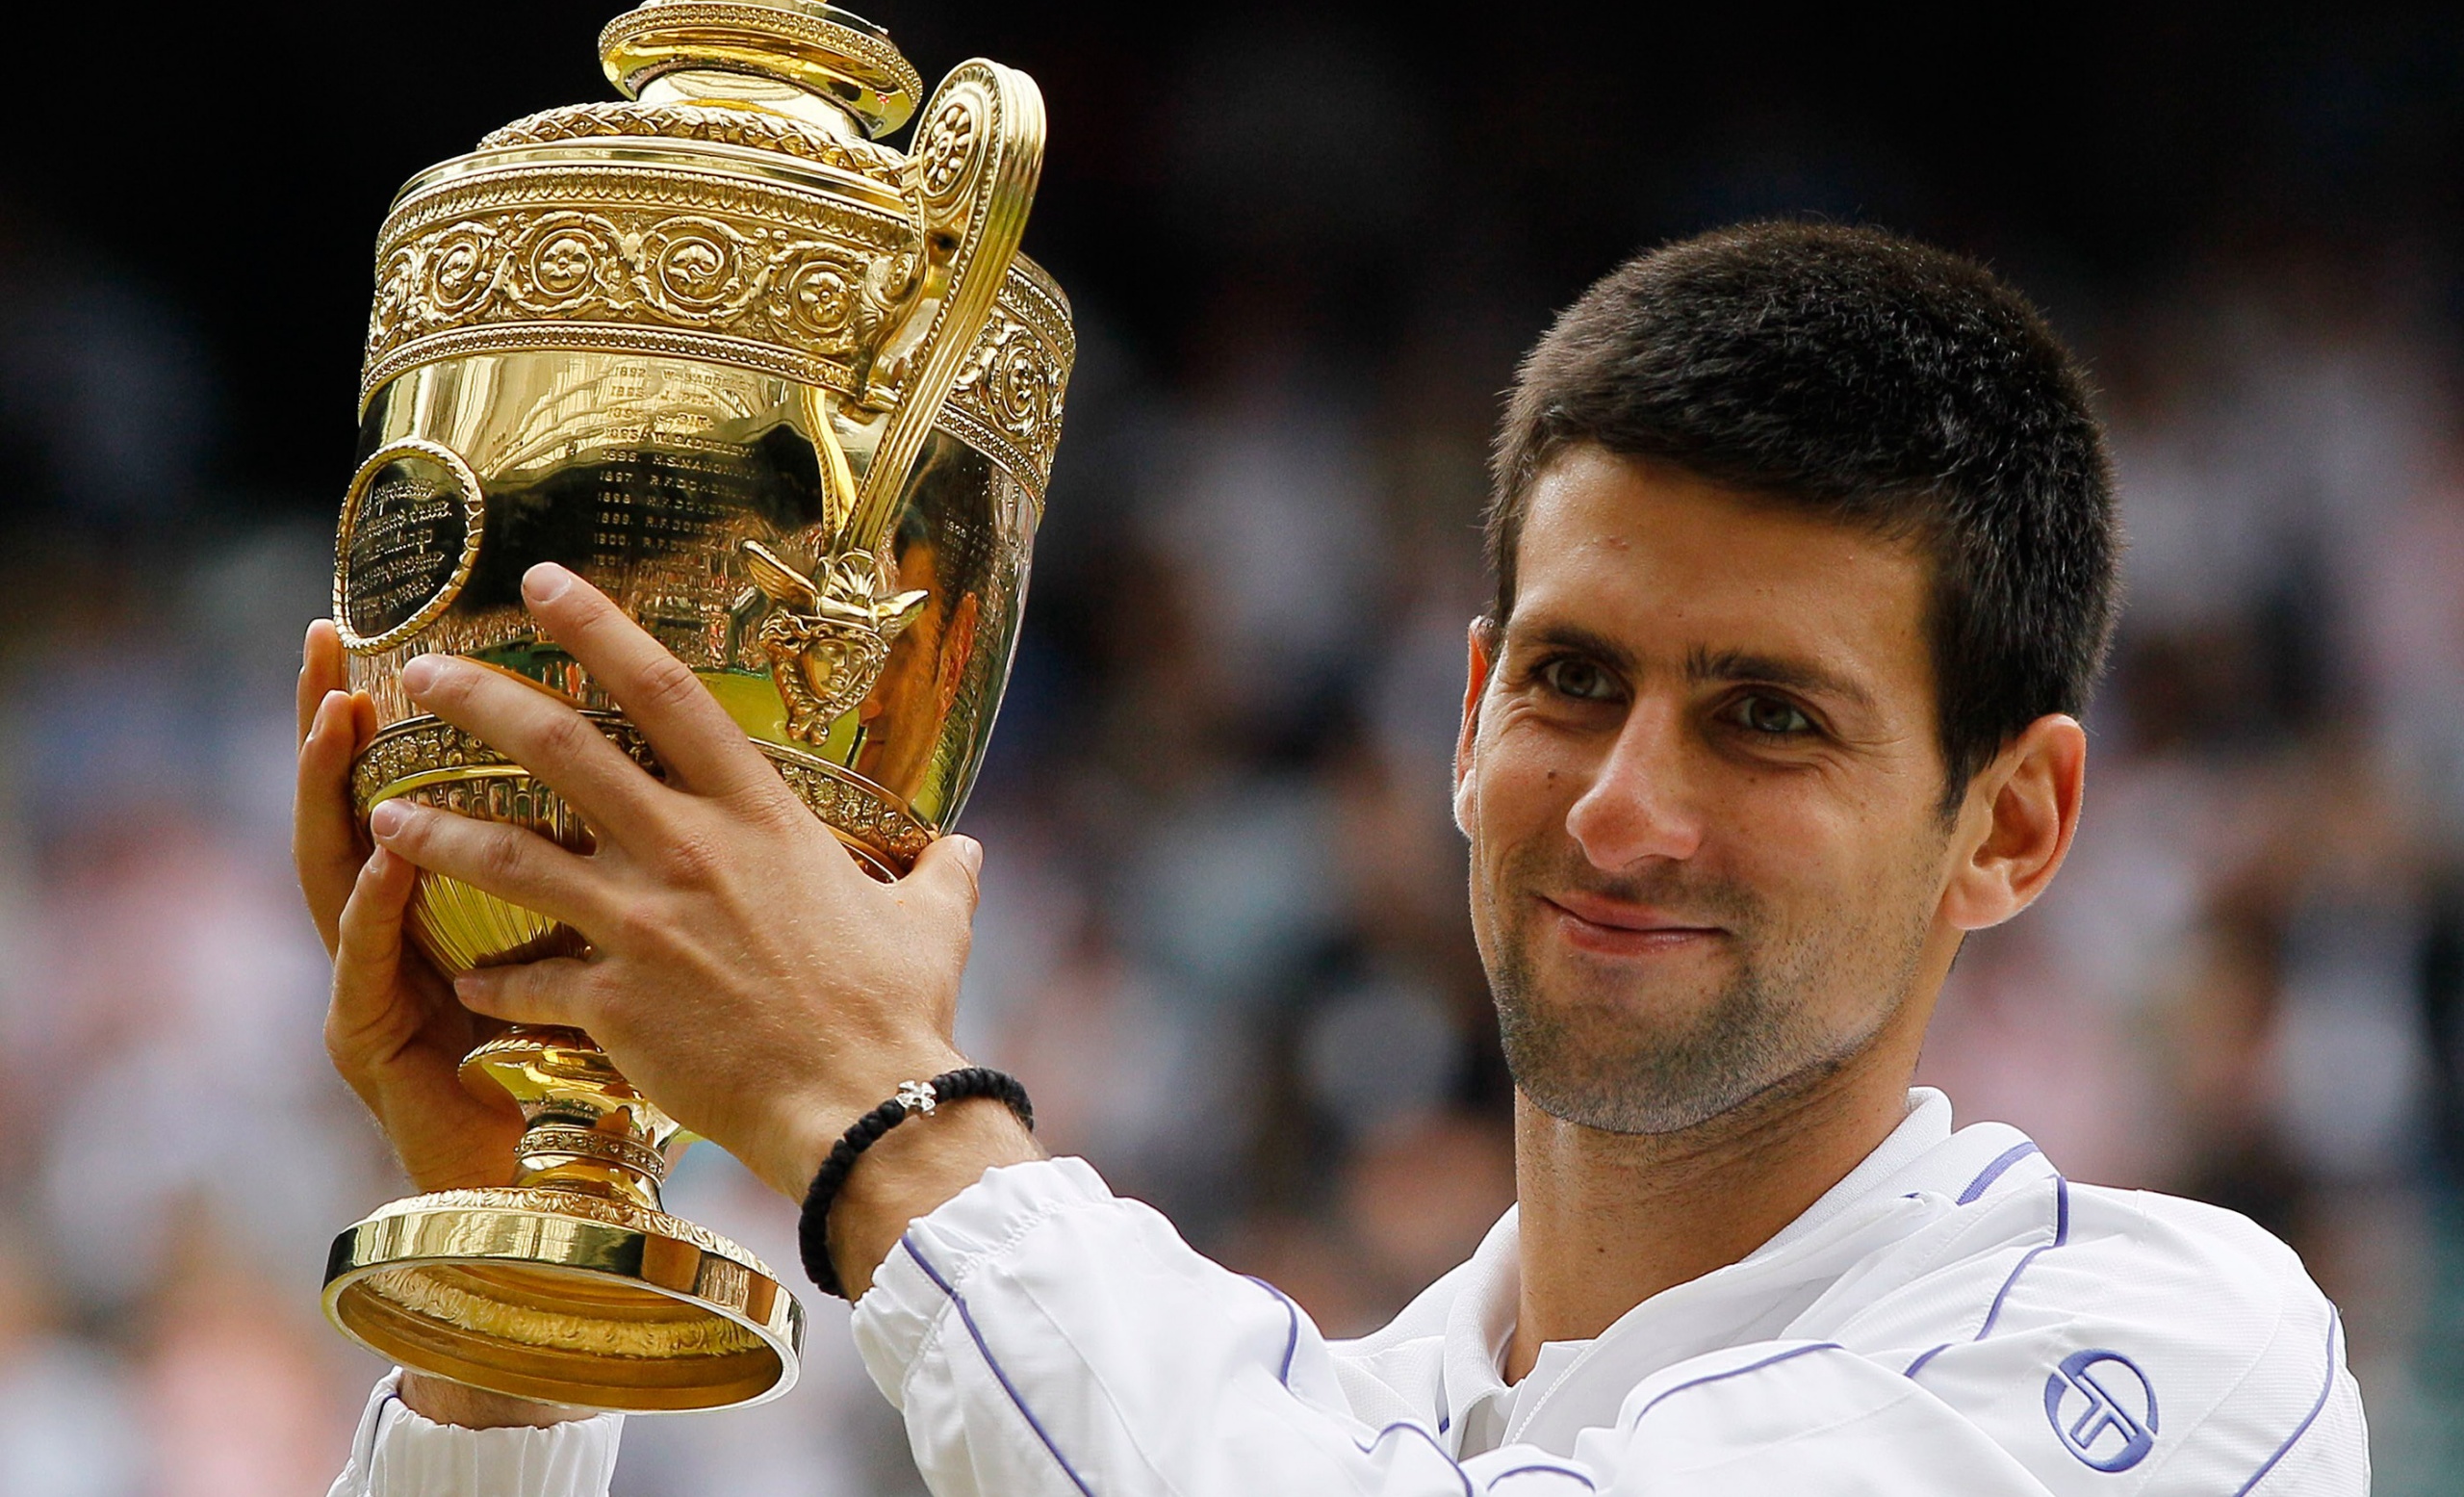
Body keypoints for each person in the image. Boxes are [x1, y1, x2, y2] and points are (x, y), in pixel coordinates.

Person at [305, 222, 2365, 1495]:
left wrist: (879, 1116)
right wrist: (511, 1300)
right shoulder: (1280, 1410)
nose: (1623, 805)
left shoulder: (2172, 1357)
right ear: (1466, 711)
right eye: (1568, 680)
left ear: (2007, 824)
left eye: (1767, 717)